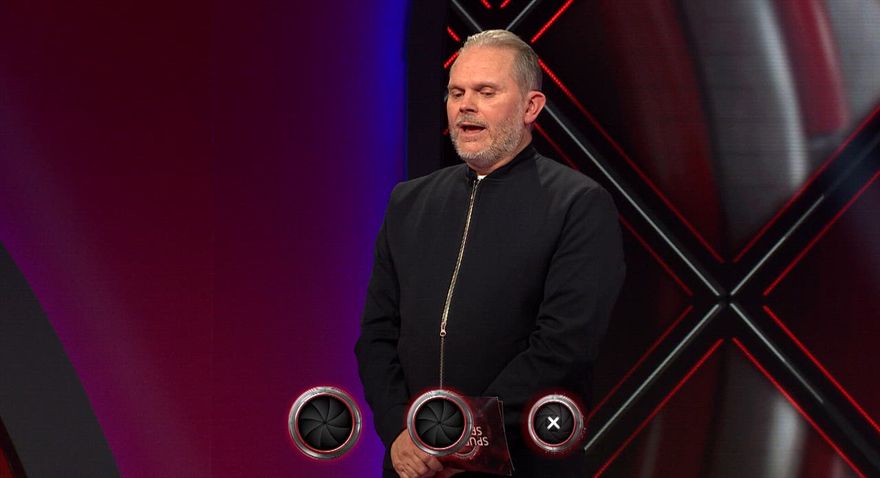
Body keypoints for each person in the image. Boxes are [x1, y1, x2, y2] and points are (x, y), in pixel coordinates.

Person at [355, 29, 625, 477]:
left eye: (486, 92)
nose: (466, 105)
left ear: (530, 107)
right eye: (457, 92)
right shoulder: (408, 202)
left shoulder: (577, 204)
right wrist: (400, 431)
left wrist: (461, 440)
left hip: (521, 462)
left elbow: (563, 347)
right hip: (414, 464)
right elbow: (377, 335)